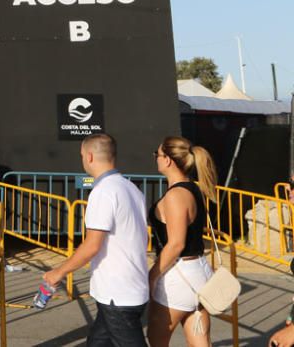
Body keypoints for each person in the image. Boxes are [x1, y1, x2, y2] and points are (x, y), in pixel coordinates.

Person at [43, 133, 148, 346]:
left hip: (117, 293)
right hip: (126, 288)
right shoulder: (132, 188)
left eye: (82, 155)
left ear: (89, 156)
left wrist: (58, 272)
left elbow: (92, 245)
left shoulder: (104, 192)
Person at [147, 136, 219, 346]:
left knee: (156, 339)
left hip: (178, 276)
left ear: (168, 160)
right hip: (199, 271)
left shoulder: (175, 195)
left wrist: (152, 275)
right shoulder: (193, 188)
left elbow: (176, 243)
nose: (156, 158)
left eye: (157, 154)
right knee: (200, 340)